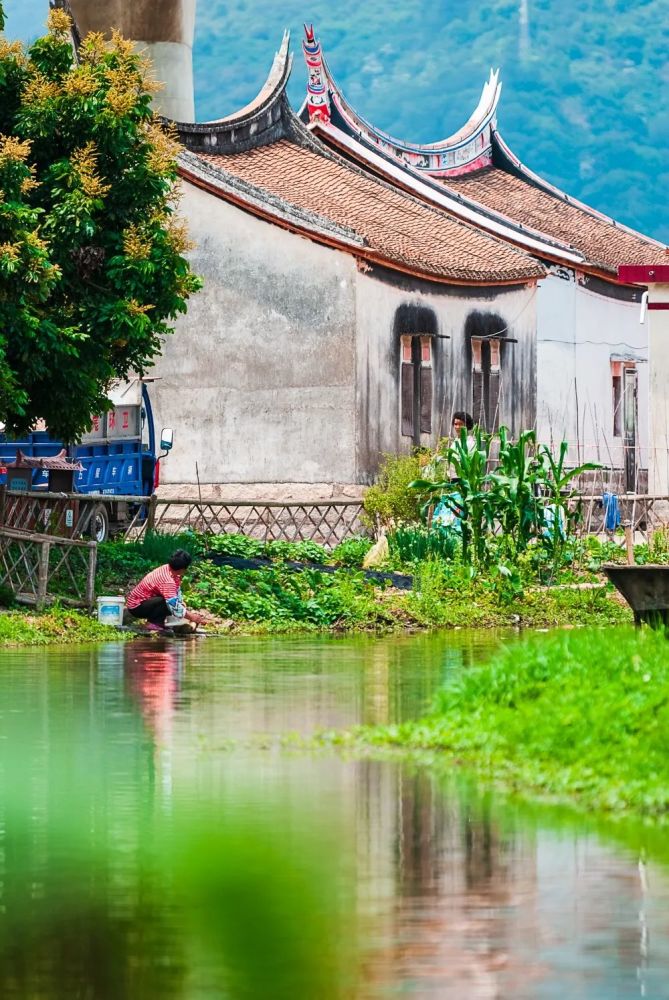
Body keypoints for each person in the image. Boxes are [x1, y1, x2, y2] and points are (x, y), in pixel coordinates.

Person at [126, 549, 209, 631]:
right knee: (166, 602)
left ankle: (158, 622)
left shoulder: (168, 569)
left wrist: (181, 603)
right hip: (136, 607)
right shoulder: (167, 581)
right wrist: (193, 617)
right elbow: (173, 606)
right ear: (183, 569)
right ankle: (154, 623)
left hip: (146, 601)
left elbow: (176, 590)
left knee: (173, 602)